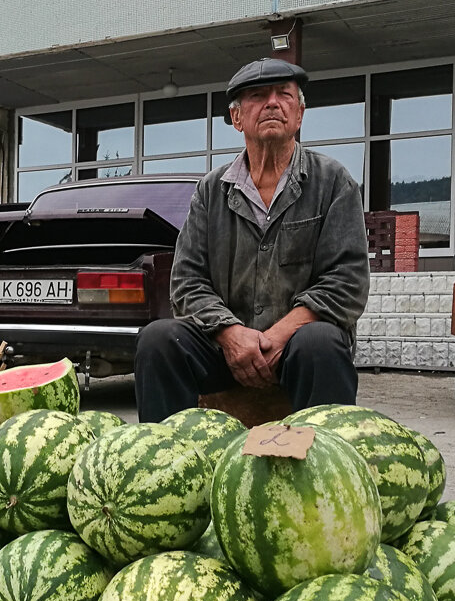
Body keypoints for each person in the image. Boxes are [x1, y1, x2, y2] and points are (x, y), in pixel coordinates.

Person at [134, 58, 370, 423]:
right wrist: (230, 334)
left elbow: (346, 283)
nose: (273, 103)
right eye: (258, 96)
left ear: (300, 113)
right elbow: (187, 282)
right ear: (237, 118)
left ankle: (326, 469)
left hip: (298, 348)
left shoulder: (333, 181)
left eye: (284, 95)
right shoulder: (211, 190)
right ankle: (167, 464)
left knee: (321, 343)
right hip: (225, 348)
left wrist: (278, 335)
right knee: (159, 340)